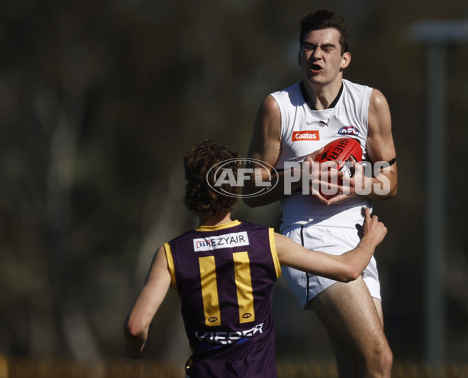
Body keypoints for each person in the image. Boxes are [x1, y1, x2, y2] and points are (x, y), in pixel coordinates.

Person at [124, 139, 388, 378]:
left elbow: (136, 327)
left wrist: (136, 349)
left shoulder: (171, 253)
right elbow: (348, 269)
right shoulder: (266, 242)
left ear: (191, 190)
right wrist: (369, 241)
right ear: (235, 188)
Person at [244, 9, 397, 377]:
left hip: (359, 240)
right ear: (299, 55)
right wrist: (301, 175)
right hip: (307, 238)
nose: (317, 55)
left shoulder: (369, 102)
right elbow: (250, 189)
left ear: (344, 58)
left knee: (356, 365)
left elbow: (390, 179)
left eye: (327, 48)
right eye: (309, 47)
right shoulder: (278, 107)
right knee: (380, 359)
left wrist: (352, 183)